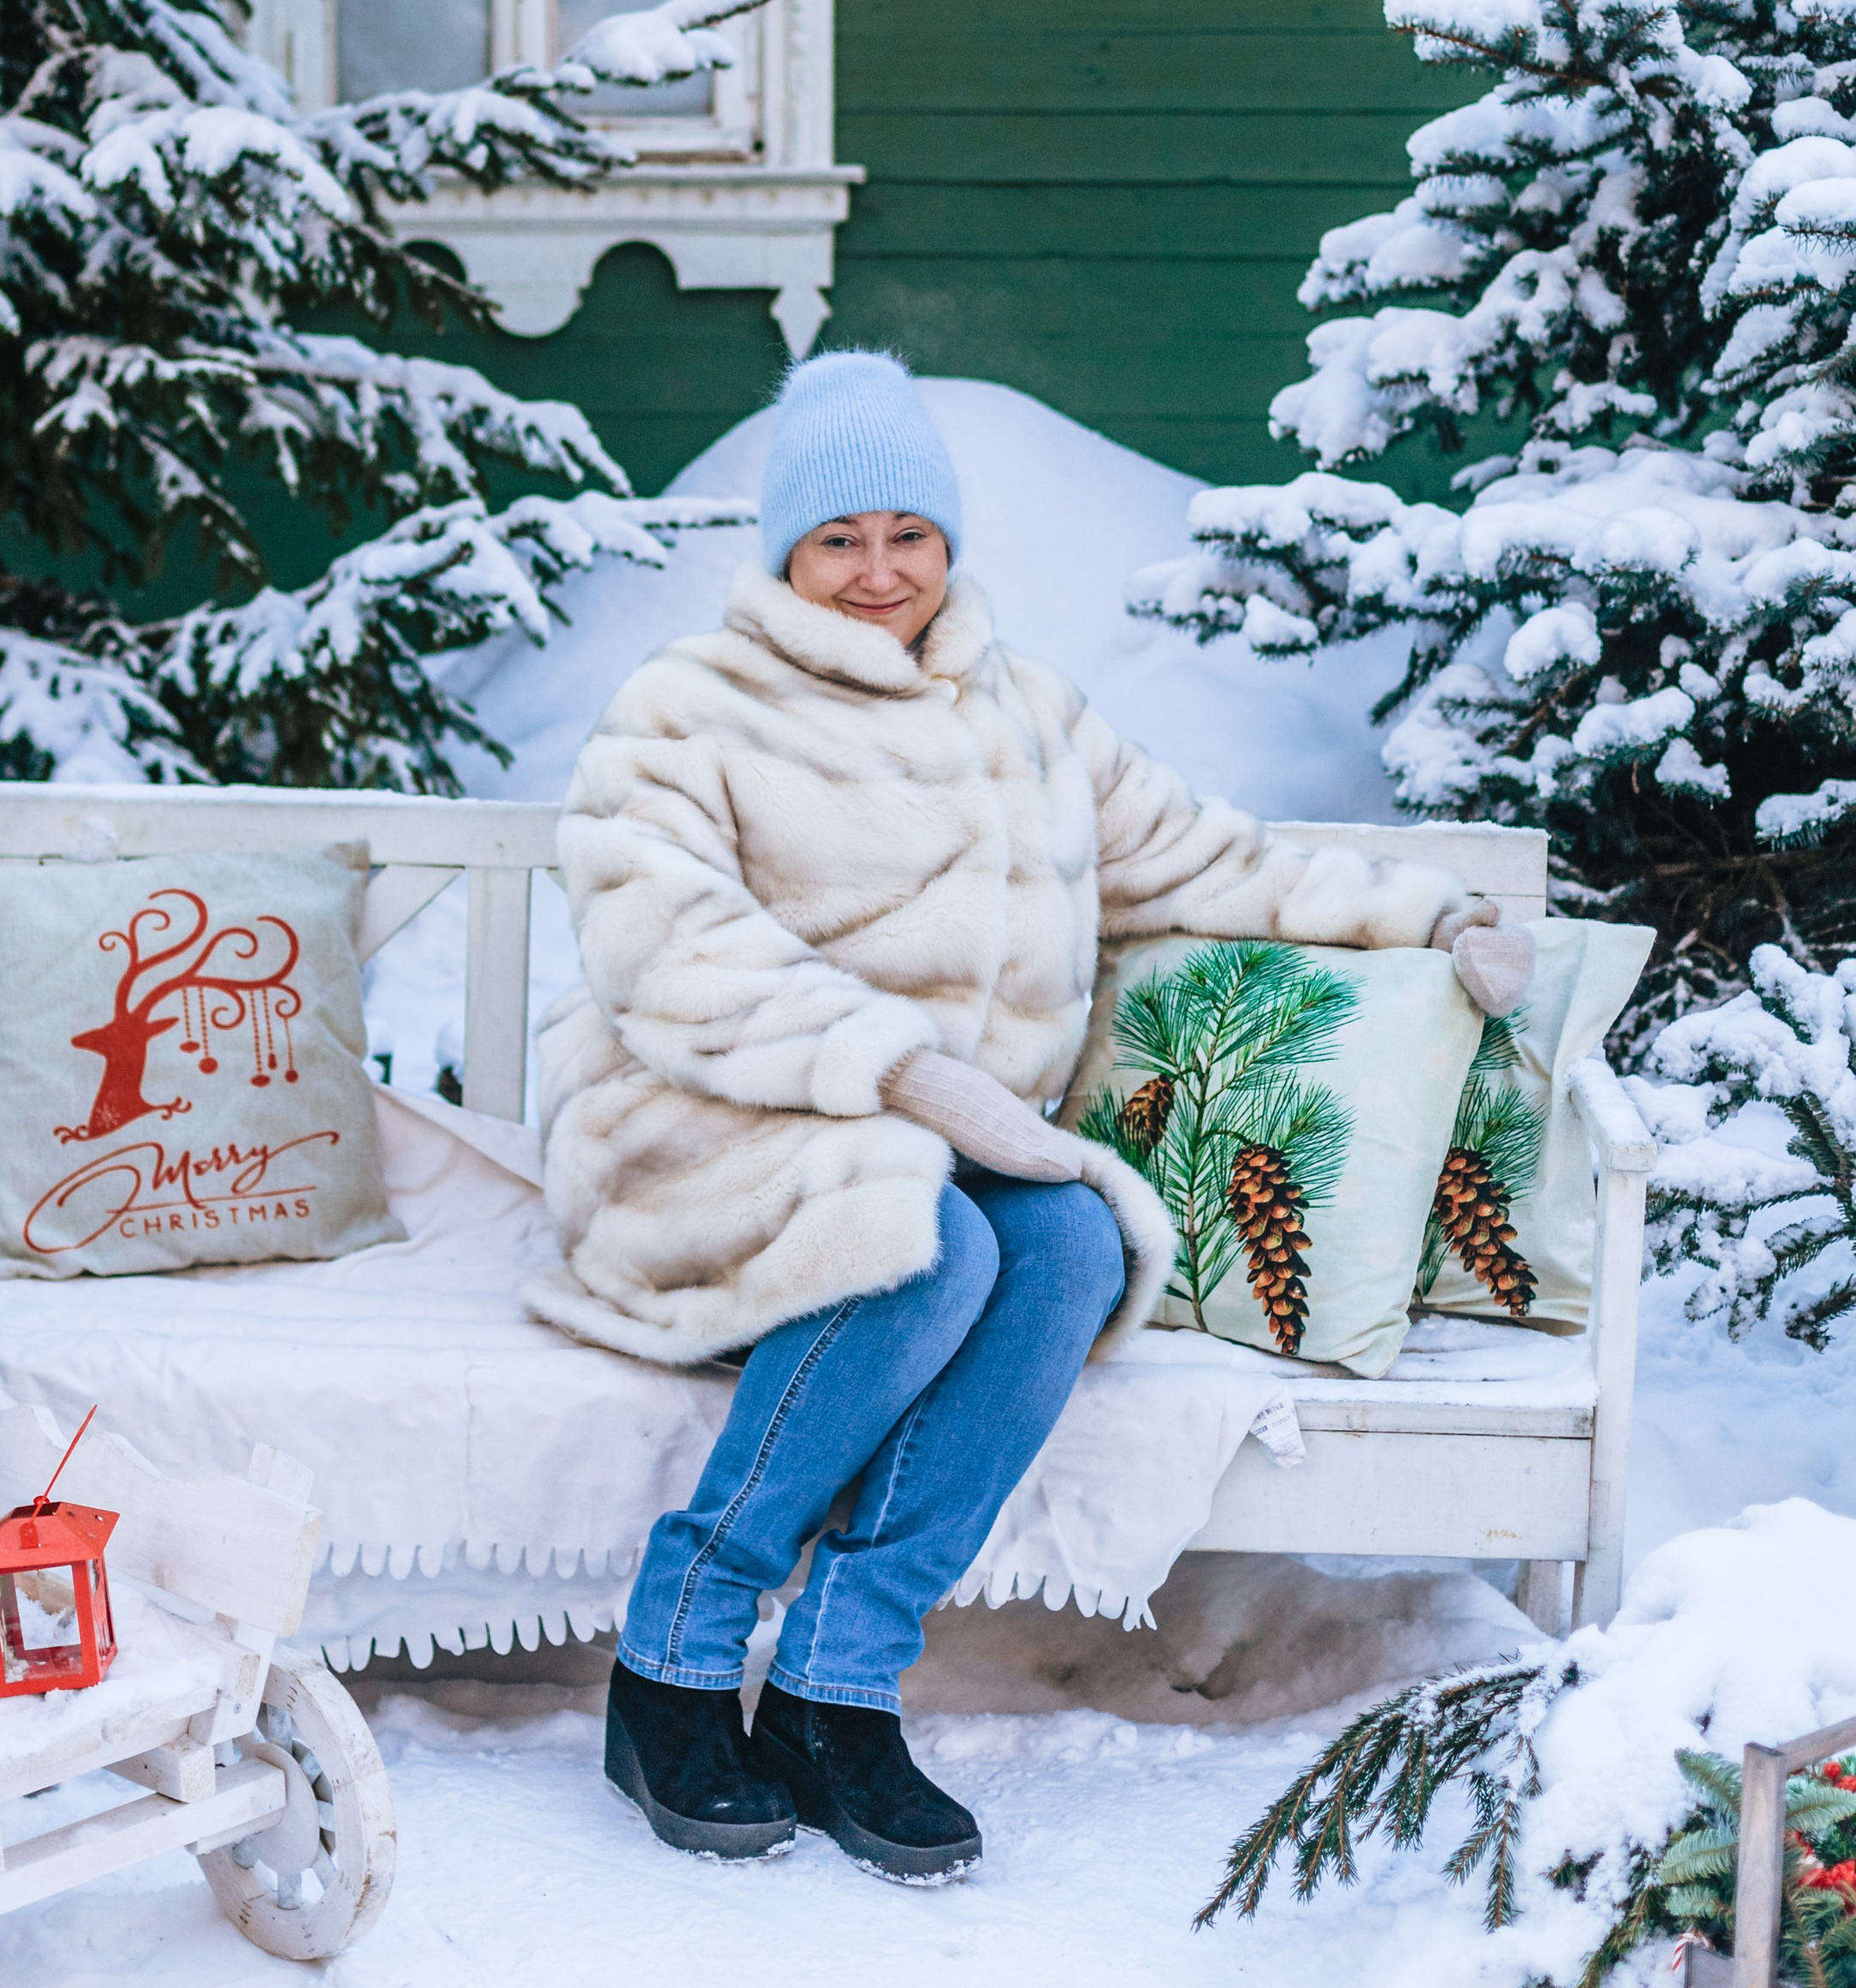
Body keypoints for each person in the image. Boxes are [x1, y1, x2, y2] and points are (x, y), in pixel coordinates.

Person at [528, 350, 1532, 1885]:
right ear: (786, 553)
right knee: (925, 1245)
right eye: (839, 540)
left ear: (948, 543)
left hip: (955, 1142)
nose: (879, 572)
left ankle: (837, 1685)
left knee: (1065, 1246)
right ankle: (672, 1662)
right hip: (714, 1127)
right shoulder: (688, 706)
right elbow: (663, 946)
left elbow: (1216, 862)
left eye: (909, 536)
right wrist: (902, 1074)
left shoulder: (1029, 713)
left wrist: (1433, 915)